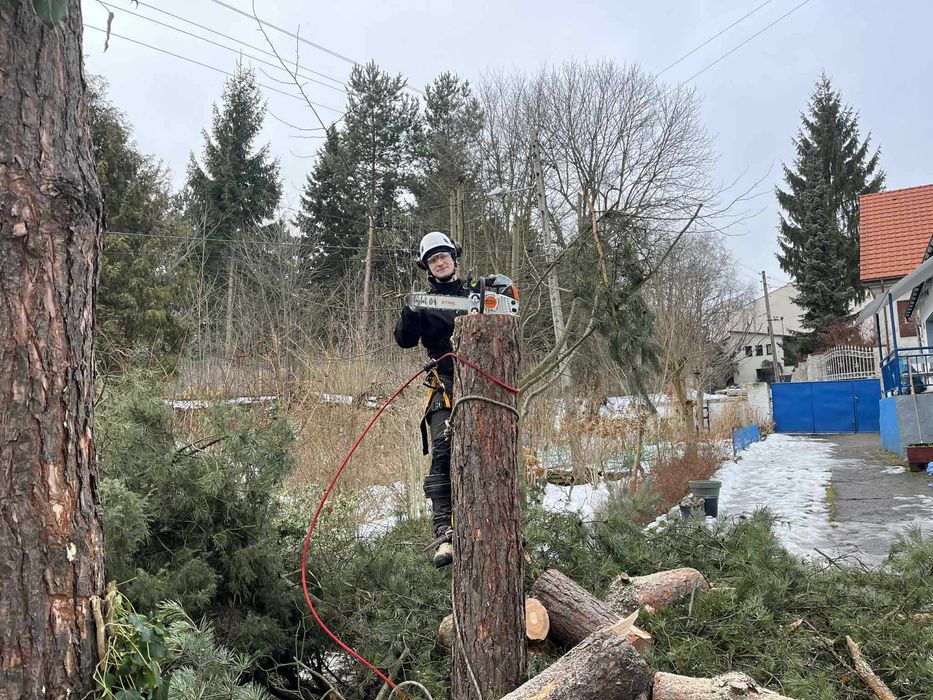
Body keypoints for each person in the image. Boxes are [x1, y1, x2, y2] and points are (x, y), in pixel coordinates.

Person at [394, 231, 467, 568]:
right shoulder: (423, 303)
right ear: (427, 266)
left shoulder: (478, 295)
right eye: (433, 258)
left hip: (484, 382)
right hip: (445, 382)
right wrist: (409, 312)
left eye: (444, 255)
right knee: (443, 449)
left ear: (454, 257)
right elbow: (405, 340)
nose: (440, 261)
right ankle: (444, 532)